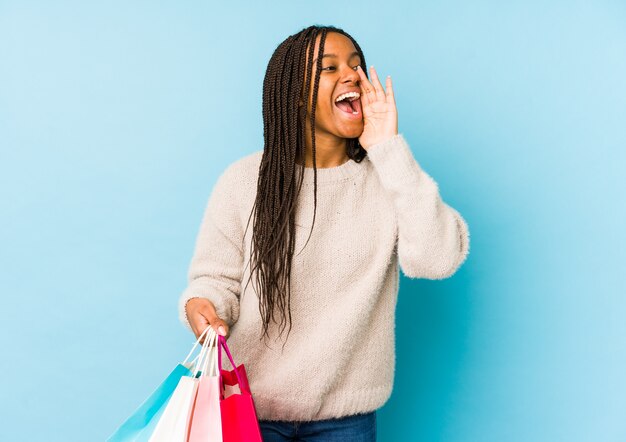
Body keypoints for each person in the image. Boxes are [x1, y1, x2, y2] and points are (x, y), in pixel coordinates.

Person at [179, 24, 470, 441]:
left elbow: (437, 259)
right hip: (246, 411)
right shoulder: (245, 181)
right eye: (329, 68)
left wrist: (389, 148)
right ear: (296, 95)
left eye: (356, 65)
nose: (351, 75)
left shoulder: (388, 178)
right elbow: (214, 279)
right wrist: (202, 305)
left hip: (346, 422)